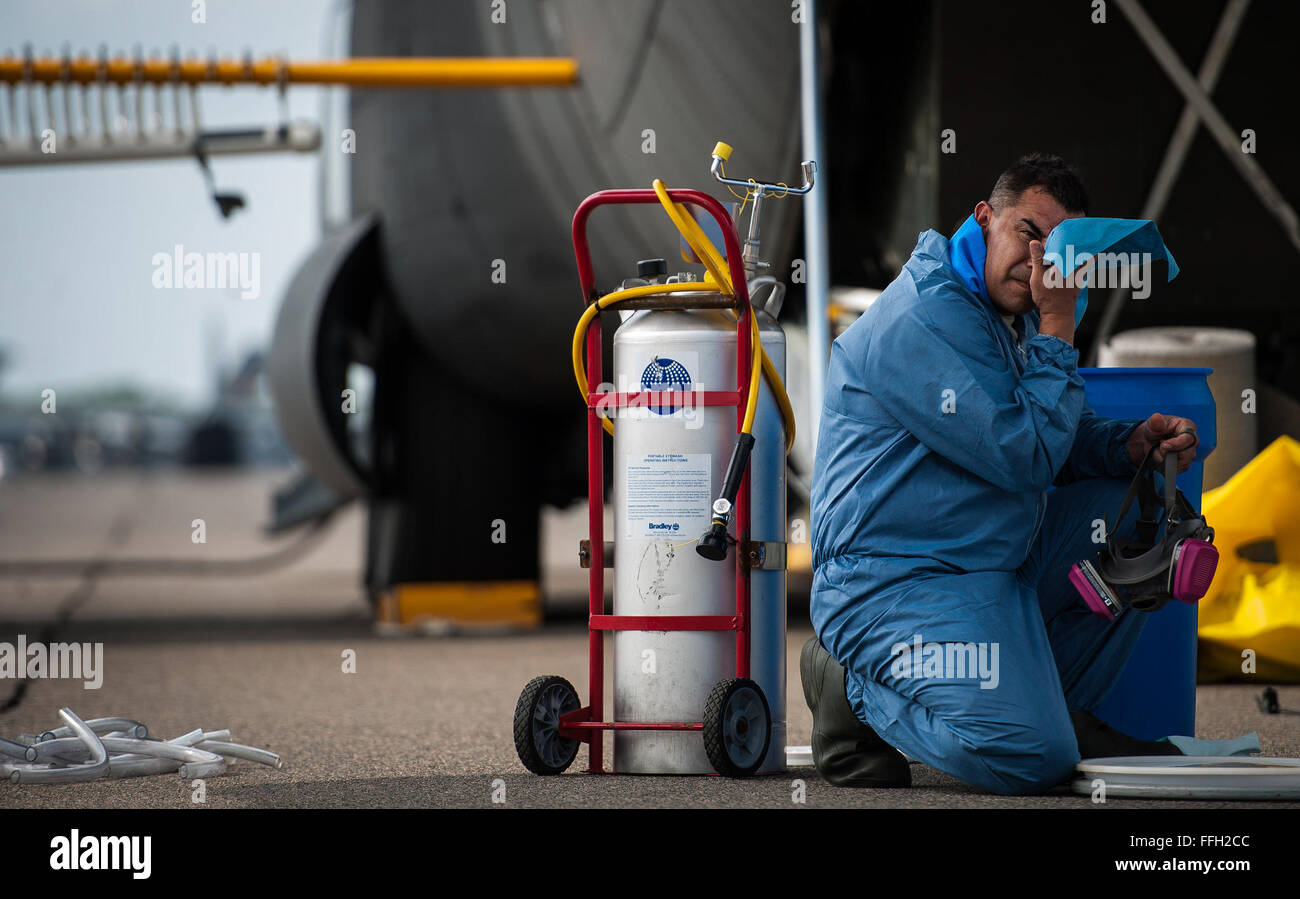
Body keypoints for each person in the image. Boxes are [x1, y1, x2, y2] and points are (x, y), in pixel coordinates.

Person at [802, 153, 1199, 795]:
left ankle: (1033, 704)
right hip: (896, 582)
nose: (1043, 259)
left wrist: (1128, 446)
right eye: (1029, 231)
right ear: (985, 219)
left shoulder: (1001, 314)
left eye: (1061, 244)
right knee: (1032, 759)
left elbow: (1054, 439)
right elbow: (1024, 455)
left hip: (986, 563)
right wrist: (1060, 323)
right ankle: (852, 682)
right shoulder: (928, 318)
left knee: (1142, 524)